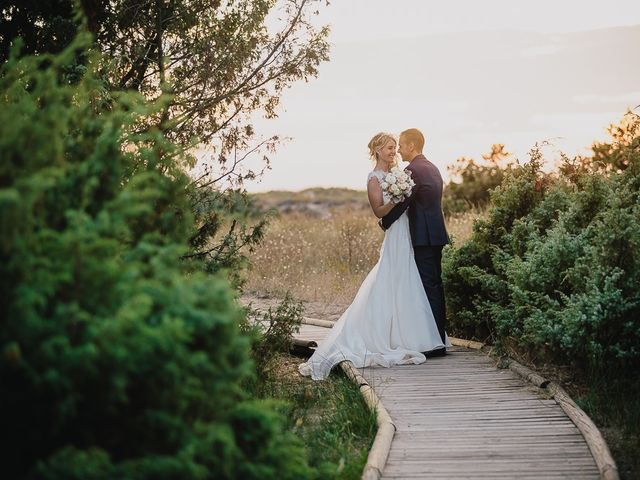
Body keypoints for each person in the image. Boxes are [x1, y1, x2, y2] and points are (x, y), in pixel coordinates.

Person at [298, 132, 446, 381]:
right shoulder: (374, 179)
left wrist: (400, 196)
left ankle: (415, 336)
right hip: (398, 234)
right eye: (389, 148)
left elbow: (408, 203)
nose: (394, 151)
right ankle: (395, 336)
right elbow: (379, 210)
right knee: (395, 280)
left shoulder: (403, 174)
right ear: (377, 150)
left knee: (411, 285)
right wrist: (396, 200)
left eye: (395, 147)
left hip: (408, 233)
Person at [380, 128, 449, 353]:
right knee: (435, 286)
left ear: (411, 146)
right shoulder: (432, 167)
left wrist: (385, 222)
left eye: (401, 145)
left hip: (423, 236)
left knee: (426, 287)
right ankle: (437, 336)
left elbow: (403, 202)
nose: (399, 149)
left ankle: (434, 342)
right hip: (436, 234)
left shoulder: (413, 170)